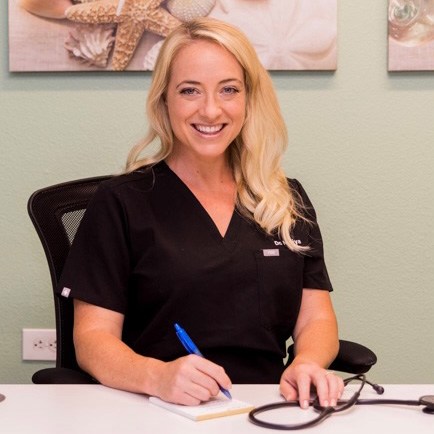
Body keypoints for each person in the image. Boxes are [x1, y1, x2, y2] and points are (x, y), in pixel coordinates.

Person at [57, 17, 344, 408]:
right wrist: (157, 376)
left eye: (229, 90)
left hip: (269, 407)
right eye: (190, 90)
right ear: (165, 100)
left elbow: (316, 320)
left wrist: (307, 363)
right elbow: (92, 340)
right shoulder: (121, 201)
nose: (211, 110)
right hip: (157, 407)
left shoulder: (283, 197)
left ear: (248, 98)